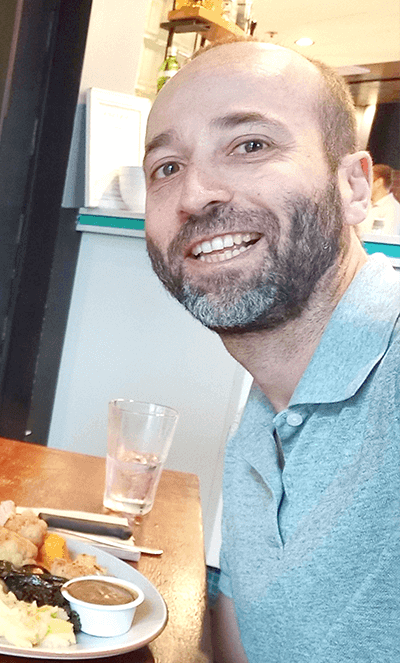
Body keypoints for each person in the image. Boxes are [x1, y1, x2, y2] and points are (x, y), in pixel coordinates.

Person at [142, 39, 398, 662]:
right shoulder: (265, 410)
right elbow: (246, 634)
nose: (194, 194)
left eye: (250, 145)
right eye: (166, 167)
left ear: (354, 186)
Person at [357, 163, 400, 235]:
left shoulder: (393, 209)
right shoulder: (364, 205)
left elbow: (386, 241)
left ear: (379, 182)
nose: (365, 184)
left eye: (368, 180)